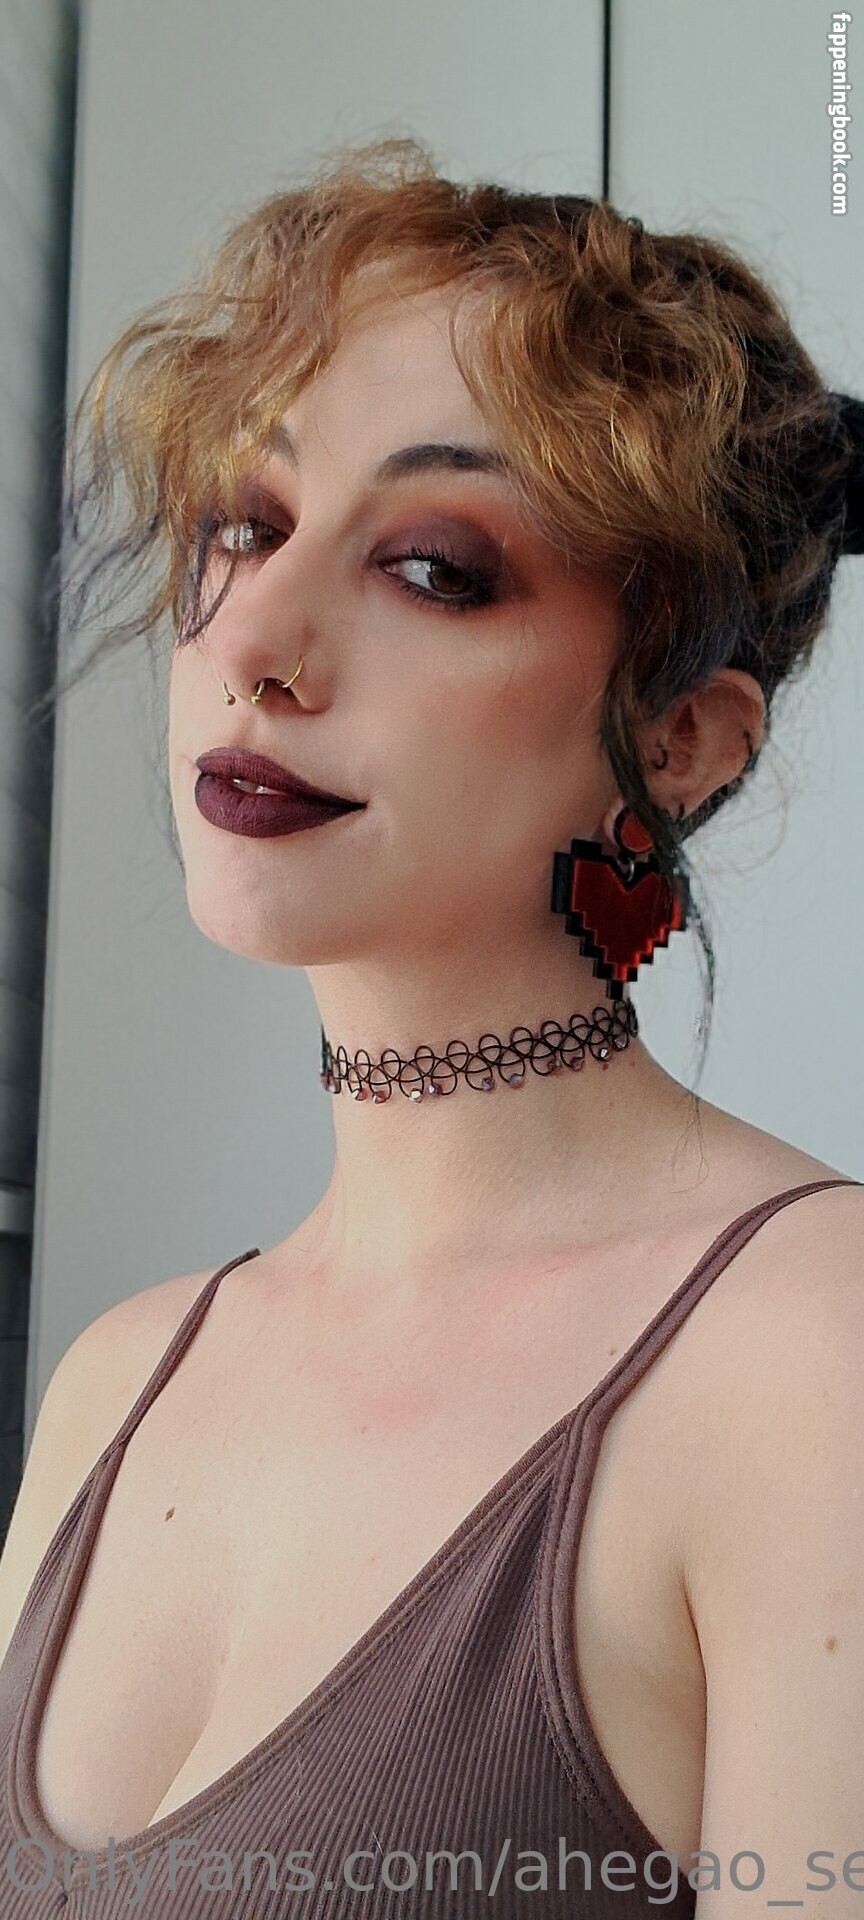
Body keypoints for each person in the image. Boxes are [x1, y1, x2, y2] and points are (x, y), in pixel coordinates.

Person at [0, 136, 861, 1916]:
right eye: (248, 523)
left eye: (436, 567)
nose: (256, 639)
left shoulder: (808, 1356)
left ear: (684, 741)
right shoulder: (116, 1379)